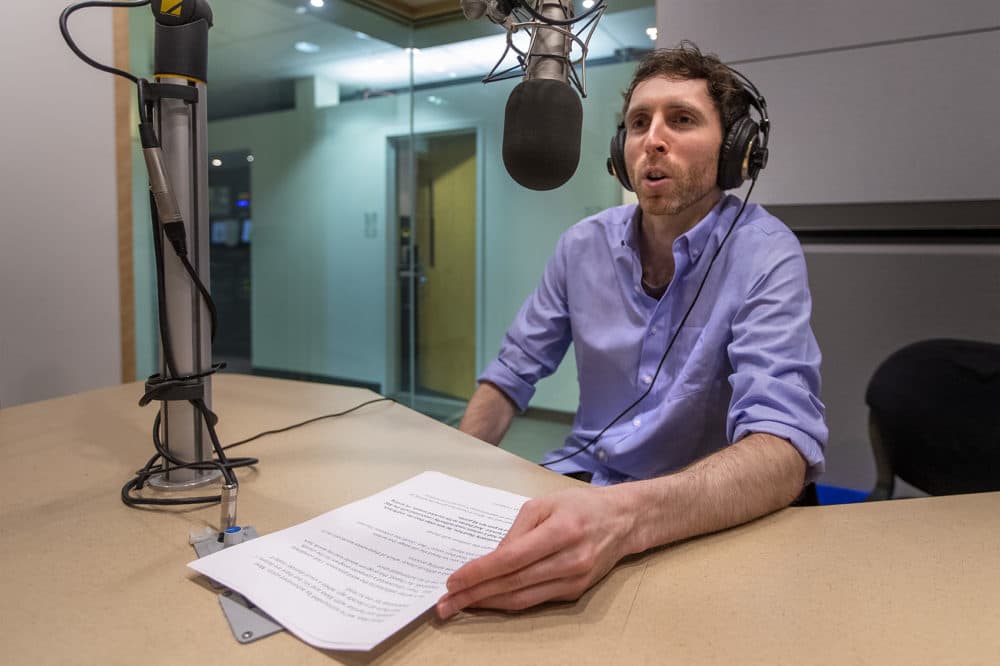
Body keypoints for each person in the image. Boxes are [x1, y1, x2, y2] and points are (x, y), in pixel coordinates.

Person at [435, 42, 827, 618]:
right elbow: (510, 377)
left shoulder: (766, 253)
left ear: (736, 153)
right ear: (621, 151)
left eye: (682, 119)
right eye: (638, 123)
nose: (653, 139)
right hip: (581, 491)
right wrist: (449, 487)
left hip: (694, 521)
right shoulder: (581, 245)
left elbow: (783, 448)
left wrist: (623, 516)